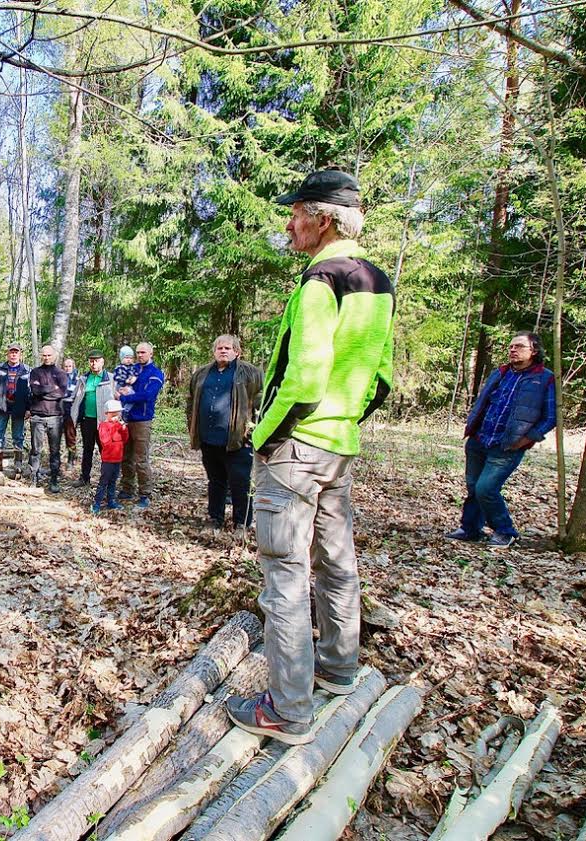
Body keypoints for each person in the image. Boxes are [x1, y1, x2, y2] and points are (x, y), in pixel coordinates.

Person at [226, 170, 395, 745]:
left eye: (295, 212)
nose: (288, 224)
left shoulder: (322, 280)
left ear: (323, 218)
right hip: (337, 447)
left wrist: (265, 437)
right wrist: (341, 423)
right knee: (336, 561)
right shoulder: (376, 281)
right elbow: (381, 381)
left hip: (297, 450)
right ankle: (339, 668)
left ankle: (289, 709)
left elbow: (304, 376)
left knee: (286, 576)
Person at [446, 332, 556, 548]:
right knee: (473, 487)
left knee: (486, 488)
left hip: (507, 445)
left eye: (520, 346)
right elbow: (484, 401)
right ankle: (470, 528)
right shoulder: (501, 373)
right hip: (480, 439)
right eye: (511, 346)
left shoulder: (545, 378)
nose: (513, 350)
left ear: (534, 351)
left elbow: (550, 417)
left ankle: (506, 531)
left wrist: (527, 439)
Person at [187, 335, 263, 534]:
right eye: (219, 348)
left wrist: (252, 430)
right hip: (209, 439)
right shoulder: (202, 374)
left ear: (237, 352)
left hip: (238, 441)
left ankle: (242, 524)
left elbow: (260, 402)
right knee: (216, 481)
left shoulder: (250, 373)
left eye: (228, 348)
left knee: (240, 482)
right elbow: (191, 402)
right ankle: (215, 519)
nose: (223, 351)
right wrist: (193, 429)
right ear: (214, 351)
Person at [116, 342, 165, 509]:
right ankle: (127, 488)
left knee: (140, 459)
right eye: (138, 352)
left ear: (150, 353)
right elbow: (122, 384)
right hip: (126, 417)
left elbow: (148, 395)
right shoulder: (133, 369)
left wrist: (125, 398)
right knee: (125, 456)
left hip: (142, 420)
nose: (140, 355)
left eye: (143, 352)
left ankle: (145, 493)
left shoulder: (155, 373)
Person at [28, 345, 70, 492]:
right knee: (36, 450)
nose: (46, 357)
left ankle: (54, 480)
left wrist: (43, 390)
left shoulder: (61, 373)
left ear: (55, 356)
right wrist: (52, 388)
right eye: (44, 355)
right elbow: (35, 390)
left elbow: (61, 393)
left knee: (55, 450)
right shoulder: (35, 372)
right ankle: (34, 478)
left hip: (55, 417)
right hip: (37, 416)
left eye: (49, 355)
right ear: (41, 356)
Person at [70, 350, 114, 486]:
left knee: (105, 450)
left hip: (104, 421)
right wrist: (73, 417)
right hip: (87, 420)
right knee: (87, 449)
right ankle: (84, 478)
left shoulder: (110, 379)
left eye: (96, 360)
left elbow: (117, 399)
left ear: (102, 361)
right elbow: (76, 399)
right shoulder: (84, 379)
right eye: (91, 361)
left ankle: (107, 479)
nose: (93, 363)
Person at [0, 343, 31, 470]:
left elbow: (31, 390)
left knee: (18, 435)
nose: (13, 355)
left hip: (19, 407)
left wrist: (28, 408)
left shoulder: (27, 370)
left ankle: (17, 463)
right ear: (7, 354)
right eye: (11, 352)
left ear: (20, 354)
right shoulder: (0, 368)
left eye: (16, 352)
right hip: (3, 406)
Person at [92, 400, 129, 513]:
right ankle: (97, 503)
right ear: (107, 414)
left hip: (117, 459)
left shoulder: (119, 425)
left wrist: (123, 429)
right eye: (113, 414)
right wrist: (114, 427)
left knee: (113, 482)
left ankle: (111, 501)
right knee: (104, 482)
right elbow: (105, 441)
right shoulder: (103, 426)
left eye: (117, 414)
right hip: (108, 460)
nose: (115, 416)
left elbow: (125, 439)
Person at [61, 358, 79, 468]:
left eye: (69, 366)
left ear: (73, 367)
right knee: (56, 434)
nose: (67, 368)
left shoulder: (78, 379)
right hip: (60, 407)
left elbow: (77, 395)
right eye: (66, 366)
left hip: (72, 408)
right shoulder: (60, 378)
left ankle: (71, 459)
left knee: (70, 434)